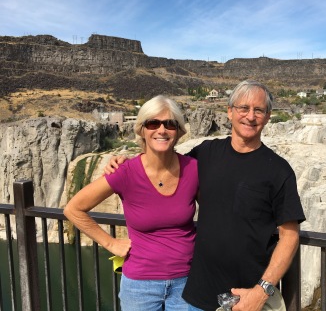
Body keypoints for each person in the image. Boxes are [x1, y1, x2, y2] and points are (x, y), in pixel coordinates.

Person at [106, 80, 306, 311]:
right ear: (229, 112)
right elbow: (164, 164)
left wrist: (262, 290)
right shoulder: (206, 153)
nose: (250, 116)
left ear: (268, 116)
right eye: (243, 108)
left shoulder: (278, 171)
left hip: (246, 297)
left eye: (258, 110)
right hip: (195, 295)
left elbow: (289, 236)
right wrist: (126, 163)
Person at [64, 95, 199, 311]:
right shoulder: (125, 172)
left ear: (179, 131)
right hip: (140, 287)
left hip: (188, 282)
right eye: (153, 123)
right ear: (142, 130)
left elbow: (218, 211)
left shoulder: (194, 169)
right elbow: (73, 209)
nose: (162, 130)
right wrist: (110, 243)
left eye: (170, 124)